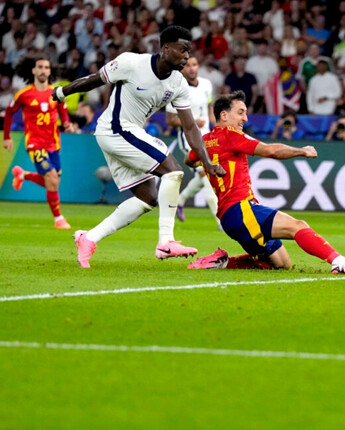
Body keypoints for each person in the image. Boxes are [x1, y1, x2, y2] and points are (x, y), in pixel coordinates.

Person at [52, 25, 225, 268]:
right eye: (183, 49)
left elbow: (191, 128)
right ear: (166, 48)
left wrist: (207, 162)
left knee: (148, 198)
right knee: (173, 170)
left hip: (127, 133)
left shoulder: (178, 83)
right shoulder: (132, 63)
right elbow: (95, 79)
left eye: (189, 51)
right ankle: (166, 241)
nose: (187, 56)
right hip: (115, 129)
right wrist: (62, 92)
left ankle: (88, 238)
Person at [185, 91, 345, 275]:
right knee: (297, 225)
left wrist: (208, 163)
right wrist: (301, 151)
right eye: (240, 113)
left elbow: (189, 159)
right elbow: (271, 151)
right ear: (224, 115)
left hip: (229, 218)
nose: (245, 118)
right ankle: (340, 262)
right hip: (241, 210)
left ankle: (222, 262)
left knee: (282, 263)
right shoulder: (231, 135)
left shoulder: (205, 141)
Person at [4, 56, 73, 229]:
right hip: (35, 144)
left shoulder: (56, 92)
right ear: (33, 70)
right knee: (51, 179)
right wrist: (6, 136)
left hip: (54, 144)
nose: (43, 70)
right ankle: (59, 219)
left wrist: (66, 123)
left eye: (46, 68)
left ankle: (23, 175)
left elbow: (62, 110)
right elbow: (9, 112)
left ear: (50, 71)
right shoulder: (24, 94)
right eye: (40, 67)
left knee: (52, 181)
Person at [164, 55, 220, 228]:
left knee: (204, 173)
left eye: (194, 64)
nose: (191, 68)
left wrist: (215, 127)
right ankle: (220, 221)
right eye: (187, 65)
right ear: (182, 68)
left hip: (207, 135)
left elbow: (209, 107)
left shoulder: (206, 84)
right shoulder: (176, 88)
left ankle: (180, 201)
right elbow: (170, 120)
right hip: (188, 137)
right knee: (206, 173)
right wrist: (192, 122)